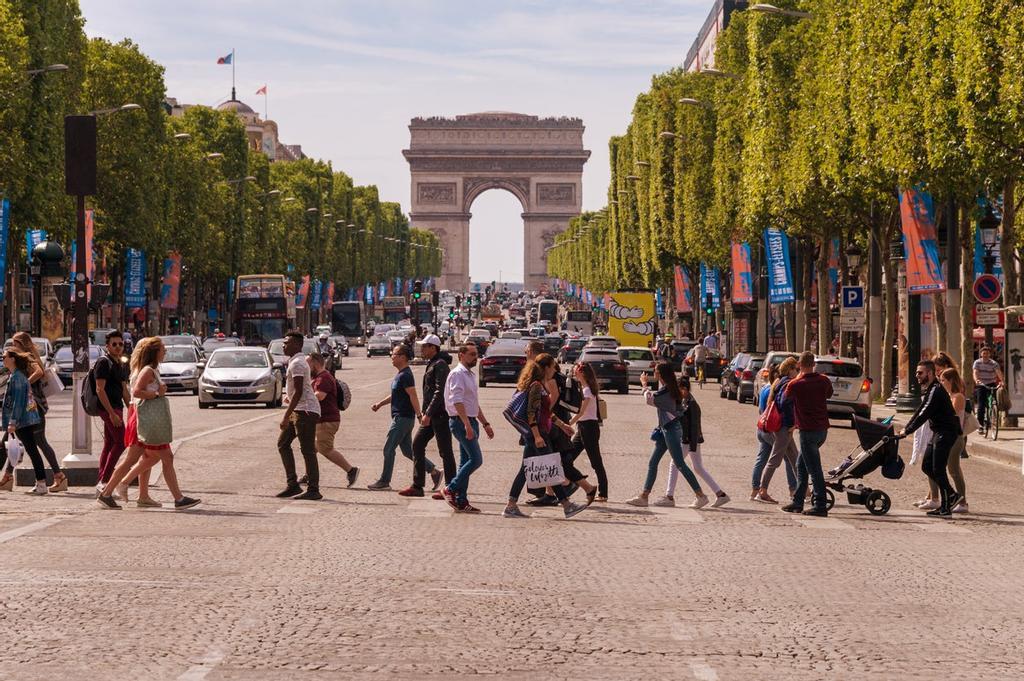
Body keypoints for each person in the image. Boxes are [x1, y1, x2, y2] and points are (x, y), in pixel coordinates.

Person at [96, 337, 200, 510]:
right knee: (150, 457)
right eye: (162, 349)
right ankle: (176, 498)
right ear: (155, 352)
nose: (165, 352)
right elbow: (137, 392)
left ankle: (133, 494)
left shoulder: (148, 369)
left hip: (145, 418)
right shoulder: (148, 371)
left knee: (150, 457)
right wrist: (158, 394)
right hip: (146, 419)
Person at [502, 355, 589, 519]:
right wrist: (536, 436)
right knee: (551, 469)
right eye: (553, 367)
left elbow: (546, 413)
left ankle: (511, 505)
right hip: (538, 435)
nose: (555, 370)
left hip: (538, 434)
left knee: (526, 471)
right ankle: (566, 505)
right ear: (547, 368)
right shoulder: (536, 386)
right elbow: (531, 413)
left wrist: (563, 426)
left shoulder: (540, 386)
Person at [625, 362, 708, 508]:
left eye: (656, 371)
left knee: (679, 464)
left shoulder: (667, 390)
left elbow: (650, 399)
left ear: (661, 374)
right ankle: (644, 496)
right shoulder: (669, 388)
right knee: (653, 462)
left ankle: (700, 495)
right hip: (666, 429)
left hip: (671, 429)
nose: (654, 373)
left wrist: (644, 385)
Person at [368, 344, 440, 491]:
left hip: (402, 418)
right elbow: (396, 394)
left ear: (402, 357)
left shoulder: (406, 375)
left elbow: (413, 395)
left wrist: (420, 414)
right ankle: (434, 471)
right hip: (402, 417)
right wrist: (380, 404)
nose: (392, 357)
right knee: (408, 451)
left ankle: (384, 481)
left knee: (388, 449)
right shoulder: (401, 374)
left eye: (394, 354)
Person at [899, 361, 962, 517]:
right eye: (916, 373)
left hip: (946, 432)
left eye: (920, 373)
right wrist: (906, 428)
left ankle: (946, 506)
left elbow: (924, 413)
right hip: (938, 432)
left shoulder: (936, 390)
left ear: (930, 373)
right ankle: (952, 495)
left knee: (938, 469)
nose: (917, 376)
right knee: (927, 466)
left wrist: (907, 430)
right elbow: (920, 410)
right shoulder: (931, 389)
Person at [659, 377, 730, 507]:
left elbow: (694, 426)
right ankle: (720, 494)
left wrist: (691, 445)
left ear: (684, 389)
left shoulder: (692, 404)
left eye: (678, 389)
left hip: (688, 440)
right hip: (690, 440)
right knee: (698, 468)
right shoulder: (685, 401)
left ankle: (669, 496)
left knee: (674, 464)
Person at [442, 343, 494, 511]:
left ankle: (461, 500)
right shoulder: (457, 374)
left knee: (466, 460)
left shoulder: (470, 375)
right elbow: (457, 401)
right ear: (461, 355)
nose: (475, 357)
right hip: (460, 421)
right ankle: (450, 488)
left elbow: (473, 403)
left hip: (470, 420)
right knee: (476, 459)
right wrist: (466, 424)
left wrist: (485, 423)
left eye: (476, 354)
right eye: (472, 354)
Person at [10, 332, 64, 492]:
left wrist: (24, 383)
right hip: (29, 408)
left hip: (35, 408)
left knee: (37, 441)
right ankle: (57, 476)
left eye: (15, 343)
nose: (13, 346)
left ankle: (57, 476)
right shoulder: (25, 358)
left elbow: (39, 372)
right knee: (25, 440)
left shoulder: (29, 358)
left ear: (21, 343)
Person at [781, 351, 834, 517]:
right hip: (822, 430)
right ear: (814, 364)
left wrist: (797, 379)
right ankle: (798, 501)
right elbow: (829, 394)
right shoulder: (824, 380)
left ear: (799, 365)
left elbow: (784, 400)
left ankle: (820, 505)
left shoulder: (796, 384)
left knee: (814, 469)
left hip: (807, 430)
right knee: (801, 466)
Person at [401, 335, 452, 498]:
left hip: (439, 415)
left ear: (433, 347)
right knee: (417, 445)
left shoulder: (441, 365)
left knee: (445, 452)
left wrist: (428, 413)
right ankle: (417, 486)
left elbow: (440, 391)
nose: (422, 349)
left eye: (424, 347)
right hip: (431, 415)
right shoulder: (433, 363)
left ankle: (451, 488)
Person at [276, 330, 322, 500]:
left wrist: (286, 416)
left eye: (286, 343)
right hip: (300, 410)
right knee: (283, 443)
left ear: (297, 345)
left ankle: (314, 489)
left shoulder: (298, 364)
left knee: (308, 450)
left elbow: (299, 391)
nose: (283, 345)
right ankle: (293, 485)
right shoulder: (295, 361)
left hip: (306, 411)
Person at [307, 352, 359, 488]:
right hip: (322, 420)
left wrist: (302, 397)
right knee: (310, 447)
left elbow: (320, 396)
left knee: (326, 449)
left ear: (315, 363)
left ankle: (351, 470)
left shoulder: (323, 377)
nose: (306, 367)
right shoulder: (319, 377)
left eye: (308, 364)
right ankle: (309, 473)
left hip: (327, 420)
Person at [1, 350, 46, 494]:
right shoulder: (14, 376)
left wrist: (12, 422)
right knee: (29, 449)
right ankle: (40, 482)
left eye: (5, 357)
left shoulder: (18, 377)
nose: (3, 359)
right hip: (21, 420)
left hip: (22, 421)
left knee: (31, 450)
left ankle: (41, 483)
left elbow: (19, 402)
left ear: (12, 359)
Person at [757, 357, 800, 503]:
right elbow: (785, 403)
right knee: (775, 460)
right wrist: (792, 424)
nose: (797, 372)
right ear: (790, 370)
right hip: (783, 427)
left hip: (781, 427)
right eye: (796, 369)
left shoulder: (779, 382)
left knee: (795, 457)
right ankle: (762, 490)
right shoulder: (787, 383)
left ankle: (803, 490)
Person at [94, 330, 131, 494]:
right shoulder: (103, 362)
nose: (118, 347)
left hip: (117, 407)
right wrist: (111, 413)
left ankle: (101, 480)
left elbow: (124, 390)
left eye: (120, 344)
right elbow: (99, 389)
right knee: (121, 442)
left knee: (109, 443)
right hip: (108, 408)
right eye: (114, 344)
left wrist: (132, 408)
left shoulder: (120, 363)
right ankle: (105, 480)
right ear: (107, 346)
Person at [568, 362, 608, 502]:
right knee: (568, 457)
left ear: (582, 373)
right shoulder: (586, 389)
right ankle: (569, 484)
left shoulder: (587, 391)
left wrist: (566, 425)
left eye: (576, 372)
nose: (574, 374)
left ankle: (603, 492)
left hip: (588, 428)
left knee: (596, 461)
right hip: (583, 427)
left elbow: (580, 412)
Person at [938, 367, 969, 513]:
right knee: (950, 469)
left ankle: (962, 502)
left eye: (943, 380)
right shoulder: (950, 396)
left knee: (954, 470)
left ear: (950, 381)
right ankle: (955, 499)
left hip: (956, 438)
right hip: (949, 436)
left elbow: (952, 415)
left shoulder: (957, 397)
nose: (941, 382)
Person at [972, 345, 1003, 434]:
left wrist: (1002, 381)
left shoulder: (994, 363)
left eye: (987, 353)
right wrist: (976, 380)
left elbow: (998, 372)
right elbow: (975, 372)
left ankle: (993, 413)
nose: (986, 355)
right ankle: (980, 426)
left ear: (990, 354)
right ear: (981, 354)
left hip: (991, 383)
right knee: (981, 405)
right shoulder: (977, 363)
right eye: (984, 353)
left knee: (994, 401)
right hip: (981, 384)